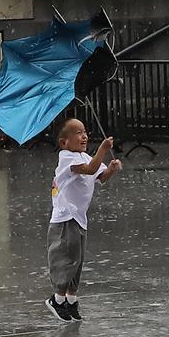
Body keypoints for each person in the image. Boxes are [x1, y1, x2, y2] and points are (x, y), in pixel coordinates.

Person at [45, 119, 122, 323]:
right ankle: (57, 299)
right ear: (64, 143)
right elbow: (89, 169)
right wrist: (104, 149)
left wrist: (111, 169)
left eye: (85, 132)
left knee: (77, 261)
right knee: (66, 259)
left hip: (79, 218)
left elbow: (100, 175)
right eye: (78, 133)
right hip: (65, 219)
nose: (84, 136)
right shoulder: (67, 158)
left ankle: (71, 300)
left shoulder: (85, 156)